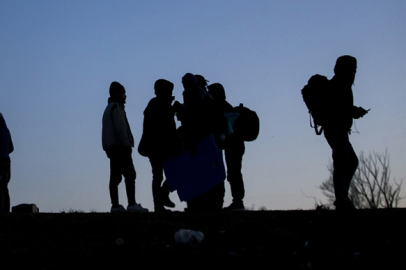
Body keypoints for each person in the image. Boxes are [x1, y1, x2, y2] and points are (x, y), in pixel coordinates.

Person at [324, 55, 368, 211]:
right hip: (335, 129)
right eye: (352, 69)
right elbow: (338, 108)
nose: (354, 72)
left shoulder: (342, 84)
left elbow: (341, 108)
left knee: (350, 161)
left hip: (339, 129)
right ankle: (341, 200)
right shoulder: (339, 85)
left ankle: (342, 197)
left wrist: (353, 111)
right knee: (342, 162)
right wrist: (354, 111)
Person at [102, 81, 148, 213]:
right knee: (130, 175)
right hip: (120, 147)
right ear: (117, 93)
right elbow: (121, 129)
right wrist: (126, 144)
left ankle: (115, 205)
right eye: (123, 93)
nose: (125, 96)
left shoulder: (108, 109)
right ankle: (131, 204)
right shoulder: (116, 108)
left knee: (115, 177)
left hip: (112, 148)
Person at [138, 79, 178, 212]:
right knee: (172, 172)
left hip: (155, 147)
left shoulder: (155, 104)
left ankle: (159, 202)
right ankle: (162, 196)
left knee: (158, 175)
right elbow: (166, 126)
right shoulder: (159, 104)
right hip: (161, 146)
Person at [208, 83, 245, 210]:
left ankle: (238, 201)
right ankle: (237, 201)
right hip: (235, 144)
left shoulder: (221, 107)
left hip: (233, 145)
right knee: (234, 172)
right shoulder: (226, 106)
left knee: (233, 173)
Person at [0, 113, 14, 213]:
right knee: (4, 187)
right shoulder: (6, 131)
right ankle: (6, 211)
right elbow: (11, 148)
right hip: (6, 161)